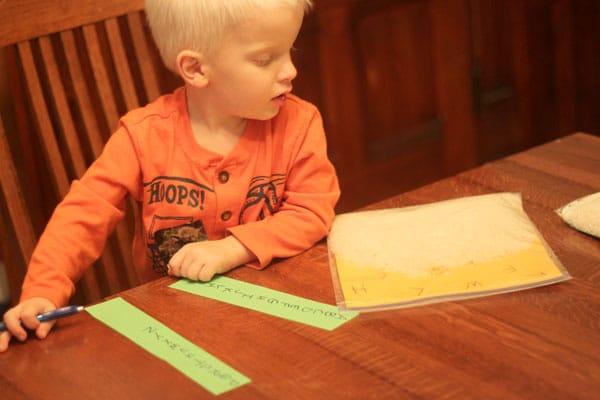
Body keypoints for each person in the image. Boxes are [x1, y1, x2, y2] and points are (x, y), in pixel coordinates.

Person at [0, 0, 339, 352]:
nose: (290, 70)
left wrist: (233, 248)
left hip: (279, 316)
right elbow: (82, 214)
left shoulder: (300, 123)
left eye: (289, 50)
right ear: (195, 68)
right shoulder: (143, 136)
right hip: (177, 329)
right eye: (265, 59)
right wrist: (42, 291)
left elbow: (312, 212)